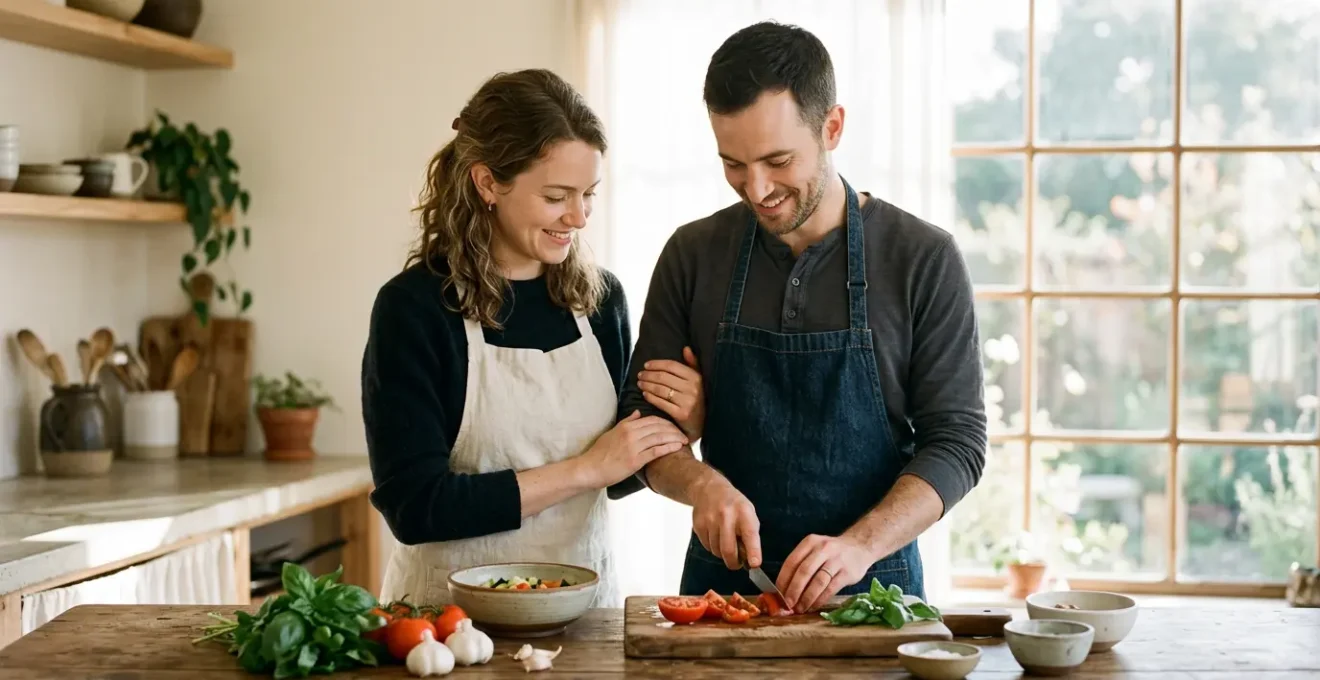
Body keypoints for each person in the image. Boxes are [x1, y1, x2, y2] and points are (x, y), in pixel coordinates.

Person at [619, 22, 988, 613]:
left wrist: (859, 546)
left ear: (832, 127)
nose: (756, 188)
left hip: (873, 589)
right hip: (724, 594)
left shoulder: (923, 258)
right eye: (733, 163)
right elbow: (643, 429)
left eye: (778, 160)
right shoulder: (692, 255)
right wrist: (699, 483)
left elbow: (959, 443)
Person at [361, 68, 702, 609]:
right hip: (446, 623)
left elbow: (616, 475)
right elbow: (416, 508)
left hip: (583, 613)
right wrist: (584, 470)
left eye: (588, 194)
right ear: (488, 183)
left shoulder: (600, 301)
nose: (579, 216)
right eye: (556, 196)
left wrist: (682, 424)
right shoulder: (415, 308)